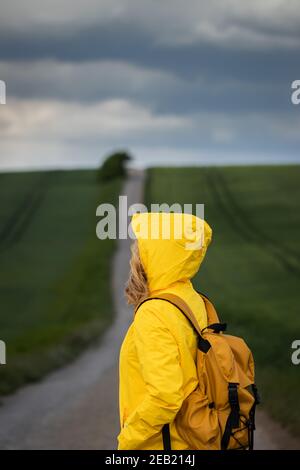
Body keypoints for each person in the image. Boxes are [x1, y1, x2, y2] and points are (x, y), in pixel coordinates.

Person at [117, 211, 212, 450]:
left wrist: (127, 441)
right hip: (194, 440)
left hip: (163, 445)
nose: (136, 254)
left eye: (141, 247)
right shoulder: (192, 299)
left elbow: (165, 396)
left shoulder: (154, 313)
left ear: (157, 254)